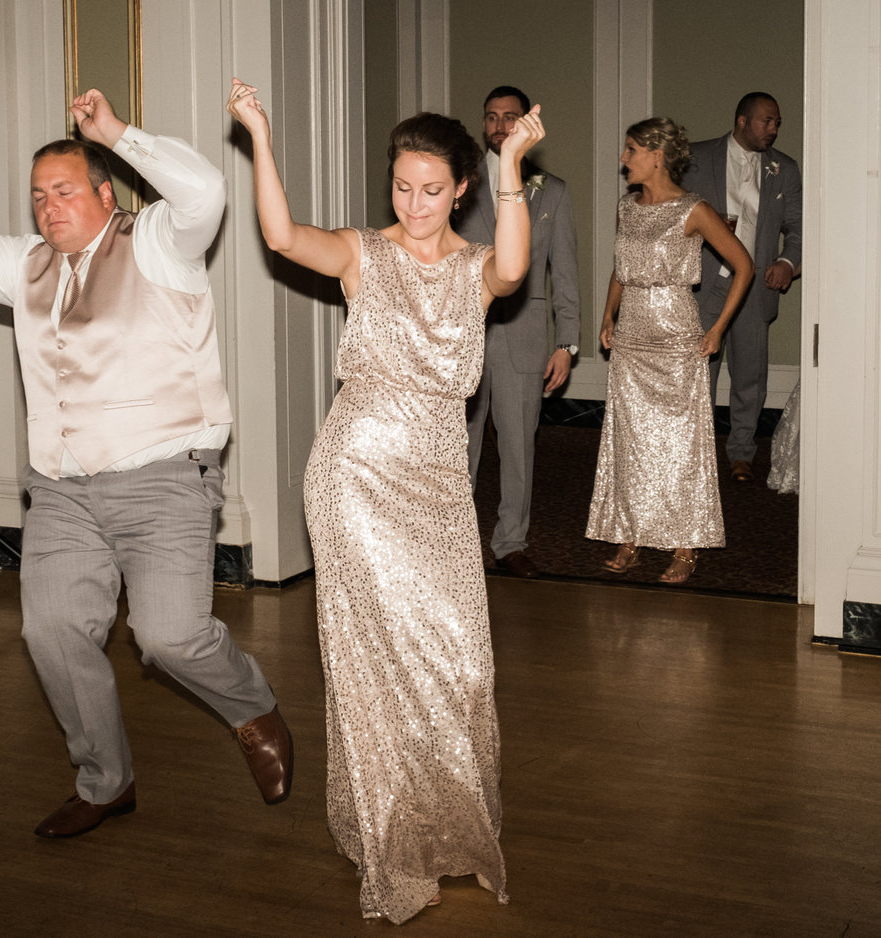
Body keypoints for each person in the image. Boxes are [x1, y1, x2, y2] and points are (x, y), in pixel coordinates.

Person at [0, 80, 291, 841]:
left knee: (170, 639)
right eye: (38, 195)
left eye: (65, 190)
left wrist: (115, 131)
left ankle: (252, 709)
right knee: (52, 632)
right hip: (64, 492)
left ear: (106, 194)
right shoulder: (25, 267)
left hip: (166, 479)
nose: (48, 206)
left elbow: (205, 188)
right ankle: (106, 781)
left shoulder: (160, 246)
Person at [231, 79, 537, 921]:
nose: (414, 204)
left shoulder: (477, 269)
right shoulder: (364, 253)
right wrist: (259, 134)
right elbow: (282, 236)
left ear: (462, 188)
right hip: (354, 476)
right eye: (402, 187)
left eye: (432, 189)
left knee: (461, 663)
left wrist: (513, 160)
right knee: (376, 670)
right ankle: (395, 841)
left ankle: (451, 828)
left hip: (438, 481)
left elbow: (514, 267)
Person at [588, 119, 752, 584]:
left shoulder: (694, 209)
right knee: (631, 441)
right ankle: (630, 535)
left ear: (656, 155)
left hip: (677, 335)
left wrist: (719, 327)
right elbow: (621, 269)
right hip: (631, 337)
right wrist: (607, 315)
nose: (624, 159)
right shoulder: (627, 207)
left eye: (630, 150)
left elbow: (744, 266)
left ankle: (685, 544)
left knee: (681, 444)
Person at [454, 85, 581, 577]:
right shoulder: (460, 184)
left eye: (510, 117)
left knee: (518, 447)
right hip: (461, 333)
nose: (500, 126)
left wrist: (566, 343)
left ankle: (511, 543)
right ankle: (455, 542)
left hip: (524, 335)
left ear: (526, 122)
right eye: (491, 117)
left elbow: (565, 273)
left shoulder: (553, 190)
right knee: (457, 445)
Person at [680, 92, 801, 481]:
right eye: (767, 121)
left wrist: (786, 262)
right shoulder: (696, 158)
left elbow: (799, 230)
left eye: (777, 122)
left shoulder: (785, 169)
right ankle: (695, 455)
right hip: (704, 281)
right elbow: (670, 213)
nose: (774, 129)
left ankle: (742, 453)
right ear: (742, 121)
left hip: (756, 283)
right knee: (700, 372)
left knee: (750, 374)